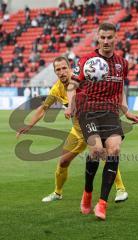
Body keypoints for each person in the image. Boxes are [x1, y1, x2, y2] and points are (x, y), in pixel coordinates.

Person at [16, 56, 128, 203]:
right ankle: (57, 192)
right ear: (55, 72)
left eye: (64, 68)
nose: (62, 72)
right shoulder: (57, 89)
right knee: (63, 162)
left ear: (70, 69)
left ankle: (121, 189)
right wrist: (29, 125)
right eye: (58, 69)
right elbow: (44, 108)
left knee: (106, 155)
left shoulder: (84, 80)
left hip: (94, 128)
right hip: (77, 132)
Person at [65, 23, 138, 220]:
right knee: (96, 151)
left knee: (114, 150)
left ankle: (102, 203)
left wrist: (126, 110)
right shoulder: (86, 60)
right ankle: (87, 192)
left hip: (110, 112)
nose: (106, 41)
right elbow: (72, 84)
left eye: (110, 37)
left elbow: (120, 88)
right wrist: (70, 104)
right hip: (87, 110)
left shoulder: (122, 63)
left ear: (116, 38)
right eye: (103, 37)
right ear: (98, 38)